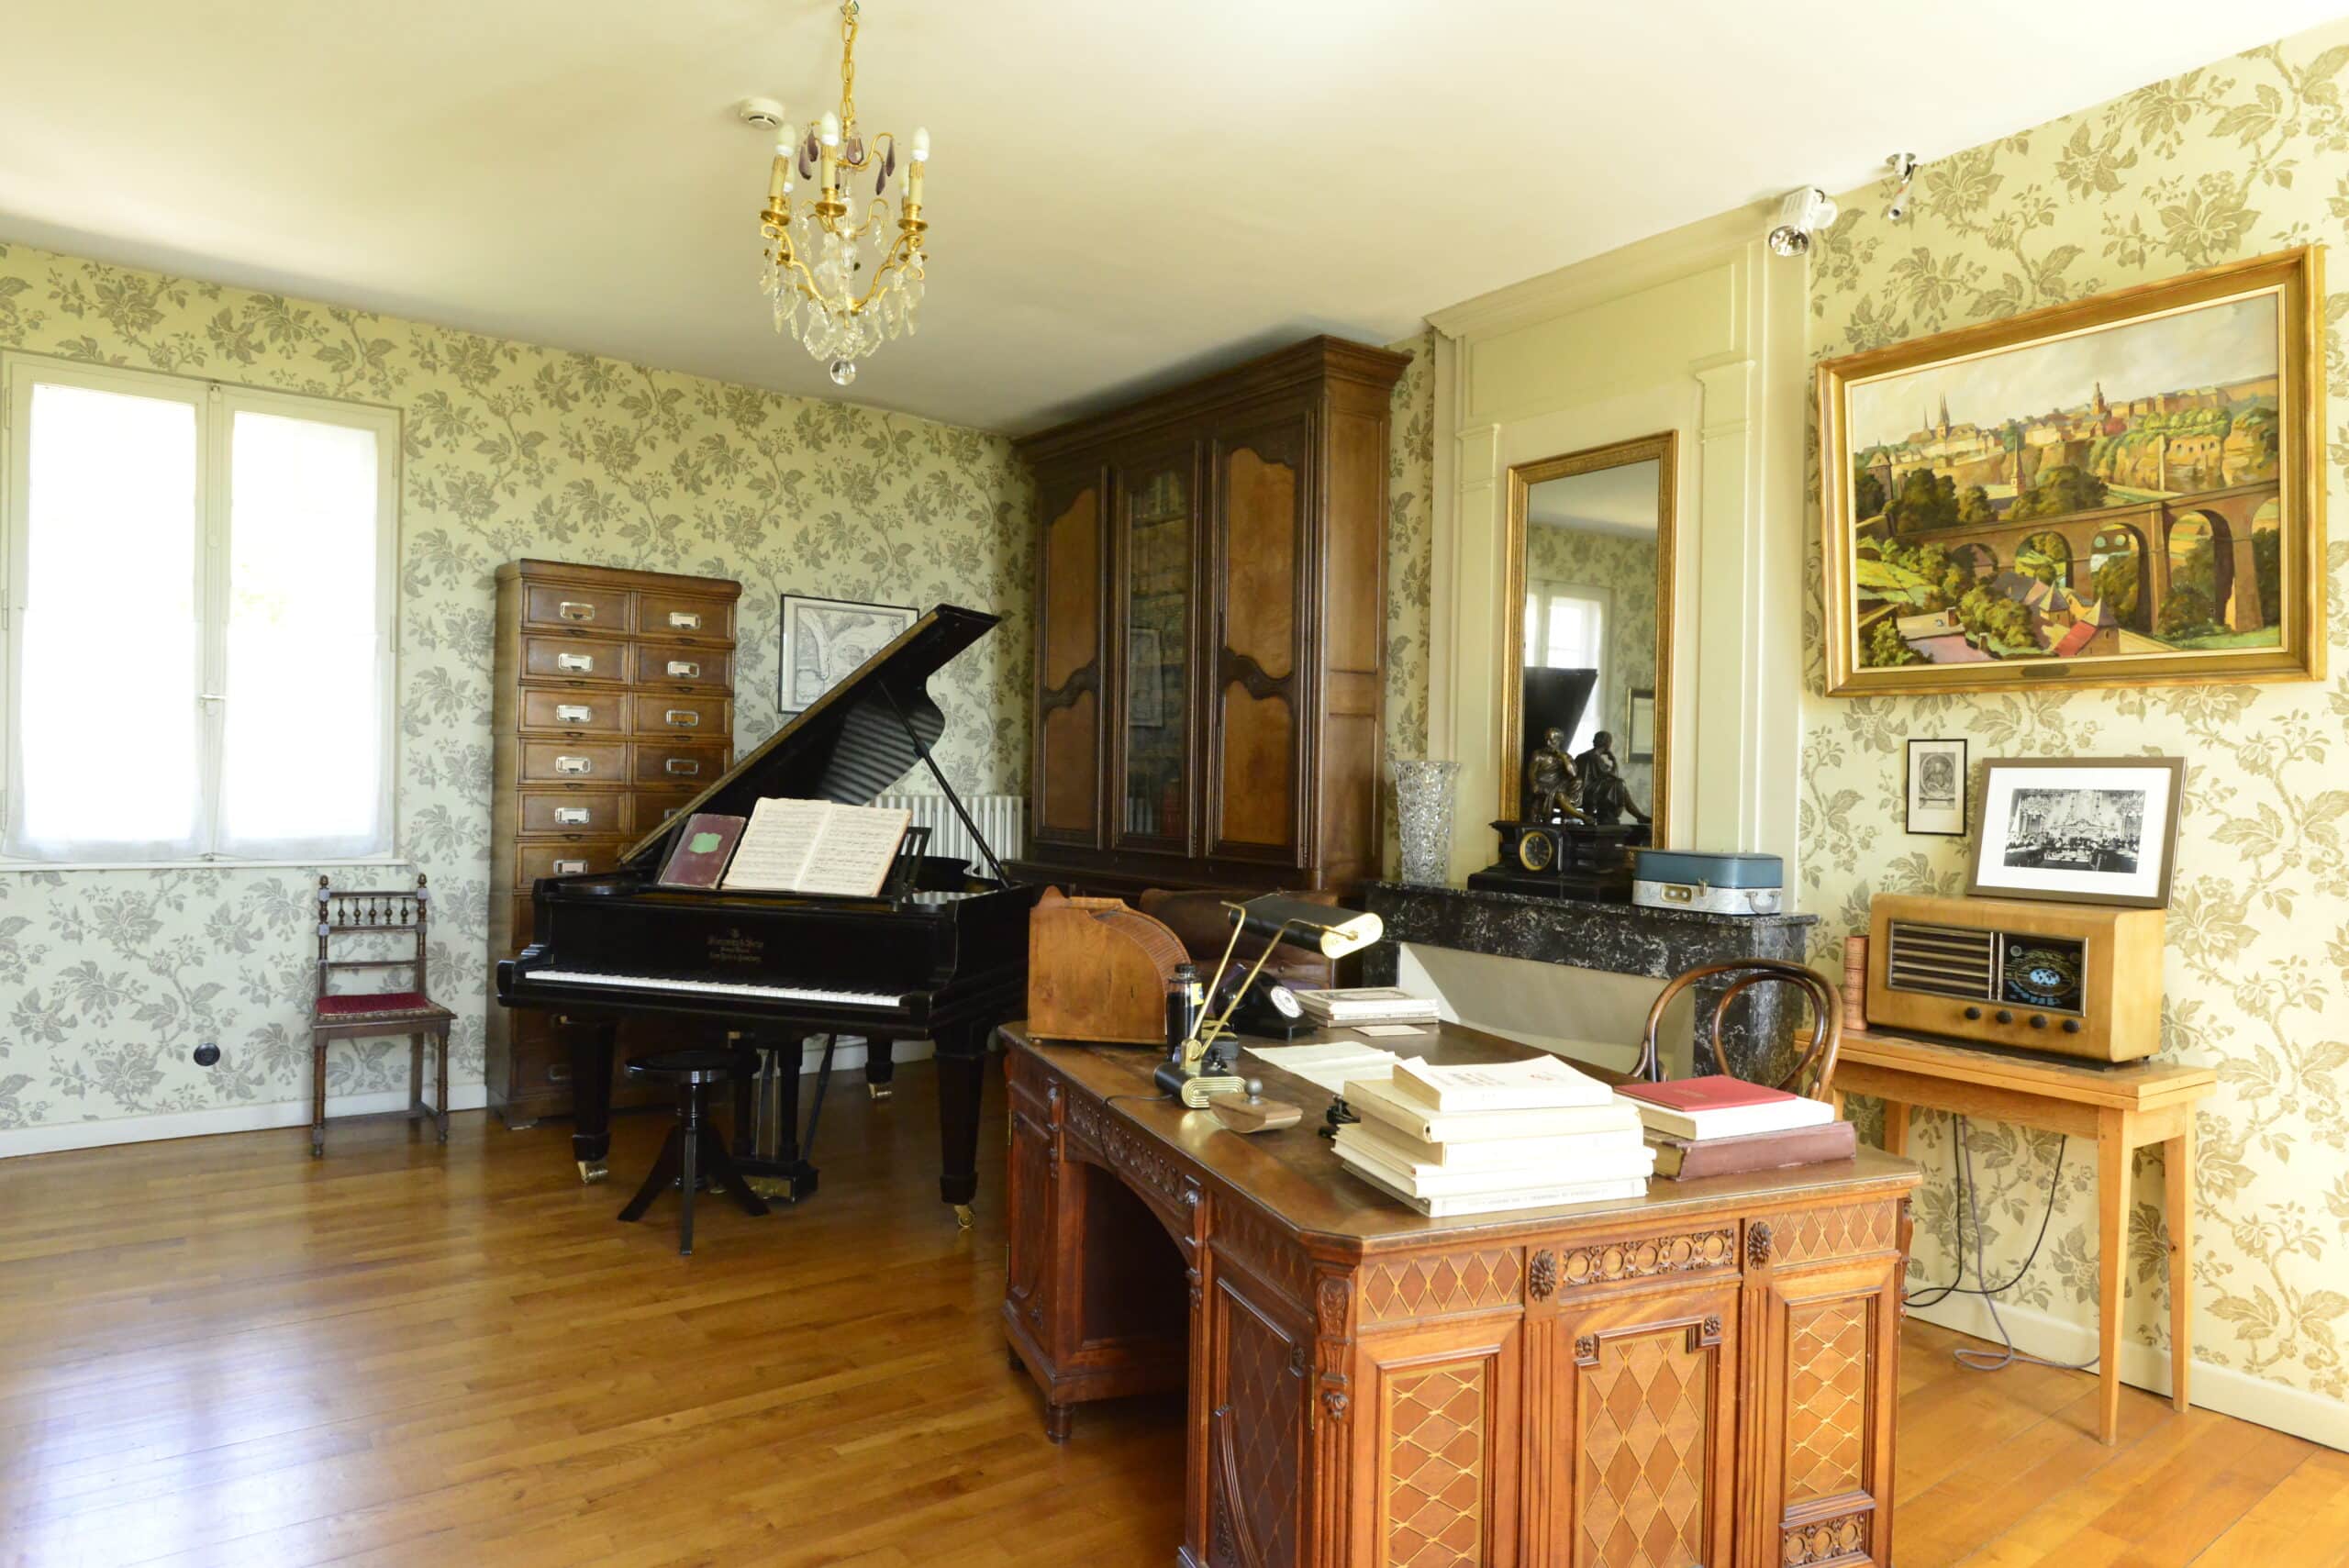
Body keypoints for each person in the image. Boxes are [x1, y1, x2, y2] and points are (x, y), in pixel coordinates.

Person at [1575, 730, 1651, 827]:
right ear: (1607, 743)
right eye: (1610, 742)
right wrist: (1613, 760)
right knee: (1619, 784)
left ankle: (1639, 815)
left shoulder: (1585, 755)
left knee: (1618, 784)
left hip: (1582, 790)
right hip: (1589, 791)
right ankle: (1638, 815)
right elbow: (1614, 775)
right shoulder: (1595, 757)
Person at [1525, 728, 1586, 822]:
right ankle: (1583, 817)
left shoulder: (1565, 756)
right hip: (1544, 785)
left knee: (1578, 781)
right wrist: (1534, 784)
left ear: (1559, 741)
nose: (1548, 743)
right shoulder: (1539, 754)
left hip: (1559, 785)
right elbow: (1531, 772)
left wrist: (1563, 758)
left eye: (1551, 740)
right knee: (1560, 796)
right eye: (1546, 740)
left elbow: (1573, 774)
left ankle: (1572, 810)